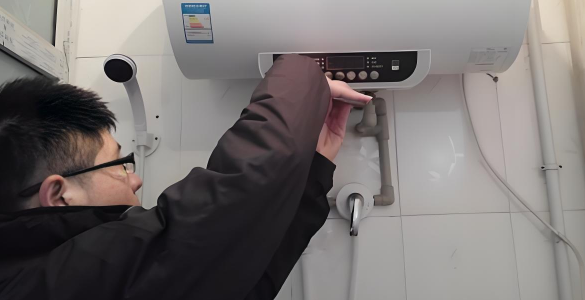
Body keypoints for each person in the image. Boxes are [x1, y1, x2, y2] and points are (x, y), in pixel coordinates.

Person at [0, 54, 371, 300]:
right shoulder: (55, 283)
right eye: (119, 164)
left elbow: (230, 283)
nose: (134, 179)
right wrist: (303, 71)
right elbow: (236, 193)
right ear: (59, 194)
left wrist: (314, 167)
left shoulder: (35, 273)